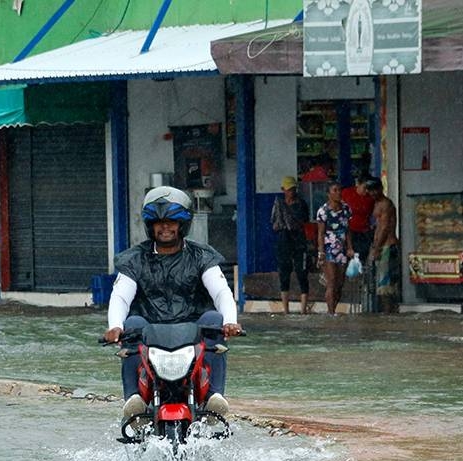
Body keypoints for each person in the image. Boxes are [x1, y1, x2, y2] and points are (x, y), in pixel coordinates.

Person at [103, 186, 242, 424]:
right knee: (132, 323)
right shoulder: (133, 259)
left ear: (182, 224)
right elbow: (120, 296)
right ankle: (133, 400)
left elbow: (221, 292)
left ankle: (213, 396)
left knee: (214, 320)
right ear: (150, 226)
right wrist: (115, 326)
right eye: (158, 223)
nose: (164, 227)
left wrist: (230, 321)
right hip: (150, 334)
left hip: (192, 333)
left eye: (171, 222)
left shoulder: (202, 256)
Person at [271, 176, 310, 314]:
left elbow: (302, 221)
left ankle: (303, 310)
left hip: (299, 241)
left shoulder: (301, 204)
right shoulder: (279, 205)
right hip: (284, 241)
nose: (292, 192)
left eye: (293, 189)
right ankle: (285, 310)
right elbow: (274, 224)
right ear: (283, 190)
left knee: (302, 273)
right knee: (284, 273)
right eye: (289, 189)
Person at [316, 181, 354, 315]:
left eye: (339, 190)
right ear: (329, 194)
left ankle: (334, 308)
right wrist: (321, 252)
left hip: (342, 248)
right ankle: (331, 312)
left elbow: (348, 229)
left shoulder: (346, 209)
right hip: (329, 249)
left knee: (340, 283)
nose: (338, 193)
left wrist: (350, 247)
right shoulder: (323, 211)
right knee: (331, 281)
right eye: (335, 190)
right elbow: (320, 233)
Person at [367, 179, 401, 313]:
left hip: (387, 247)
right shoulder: (376, 204)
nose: (373, 193)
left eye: (376, 190)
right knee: (381, 285)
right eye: (371, 191)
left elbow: (385, 228)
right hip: (381, 247)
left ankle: (389, 313)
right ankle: (386, 312)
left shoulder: (386, 204)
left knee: (385, 286)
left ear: (381, 188)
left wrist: (376, 249)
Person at [340, 178, 375, 263]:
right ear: (358, 185)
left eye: (368, 188)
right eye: (364, 188)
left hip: (364, 232)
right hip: (350, 230)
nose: (366, 191)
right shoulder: (347, 193)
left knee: (361, 259)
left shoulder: (370, 198)